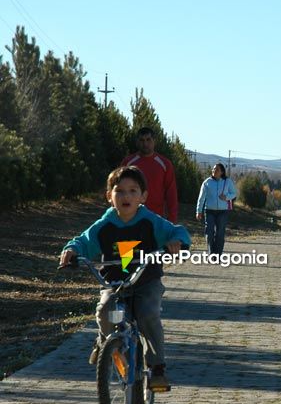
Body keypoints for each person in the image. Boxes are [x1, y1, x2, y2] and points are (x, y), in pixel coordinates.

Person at [59, 166, 190, 390]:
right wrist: (71, 250)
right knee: (104, 312)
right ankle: (104, 343)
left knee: (148, 314)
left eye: (133, 191)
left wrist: (176, 242)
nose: (126, 196)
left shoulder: (150, 221)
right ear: (109, 196)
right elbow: (83, 241)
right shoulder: (104, 225)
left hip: (146, 282)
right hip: (114, 284)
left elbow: (177, 232)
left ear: (143, 196)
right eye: (119, 191)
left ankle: (157, 368)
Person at [121, 127, 178, 223]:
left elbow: (171, 193)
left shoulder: (165, 164)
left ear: (154, 141)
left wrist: (172, 218)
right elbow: (118, 188)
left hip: (156, 217)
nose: (145, 144)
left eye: (148, 140)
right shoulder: (128, 162)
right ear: (137, 142)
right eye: (142, 140)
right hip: (131, 217)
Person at [196, 163, 237, 256]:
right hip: (209, 211)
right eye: (213, 169)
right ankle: (211, 254)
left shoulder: (227, 181)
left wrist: (226, 197)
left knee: (220, 234)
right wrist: (199, 211)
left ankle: (217, 255)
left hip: (223, 211)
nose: (214, 171)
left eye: (217, 169)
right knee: (209, 233)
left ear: (222, 172)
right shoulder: (207, 182)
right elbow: (201, 198)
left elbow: (234, 194)